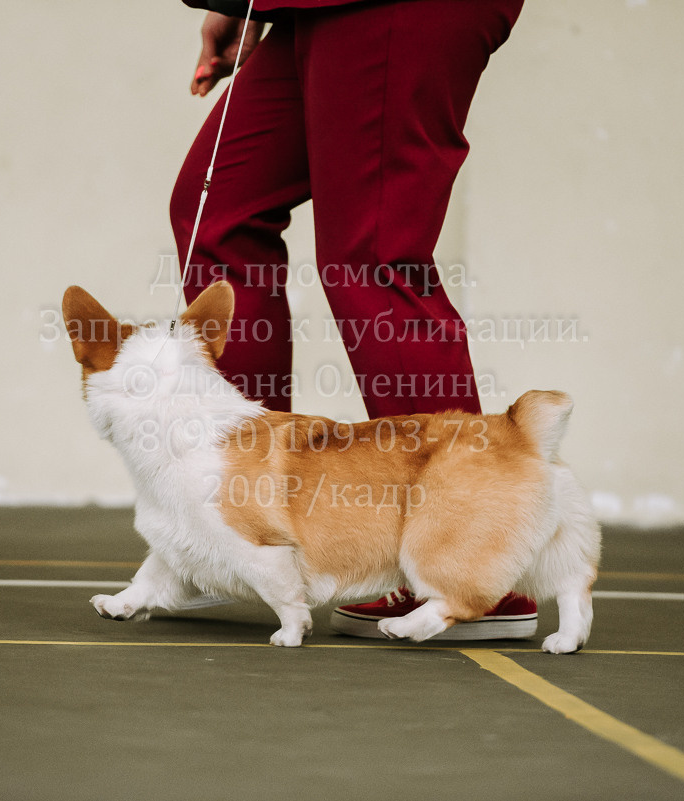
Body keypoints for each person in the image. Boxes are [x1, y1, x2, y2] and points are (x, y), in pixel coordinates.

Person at [171, 0, 536, 640]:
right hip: (314, 5)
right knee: (218, 212)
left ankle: (475, 565)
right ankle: (245, 524)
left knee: (372, 258)